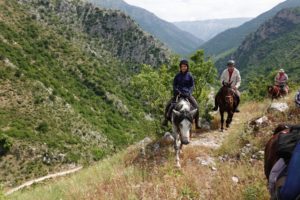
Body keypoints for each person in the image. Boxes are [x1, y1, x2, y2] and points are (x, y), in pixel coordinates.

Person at [162, 59, 200, 129]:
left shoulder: (190, 76)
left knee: (196, 106)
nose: (183, 68)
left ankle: (197, 123)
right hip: (178, 94)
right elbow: (174, 85)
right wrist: (176, 91)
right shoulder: (177, 76)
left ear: (187, 67)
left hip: (187, 94)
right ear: (180, 67)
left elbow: (192, 85)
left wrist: (189, 92)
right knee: (169, 105)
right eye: (182, 66)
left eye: (185, 66)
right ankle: (166, 120)